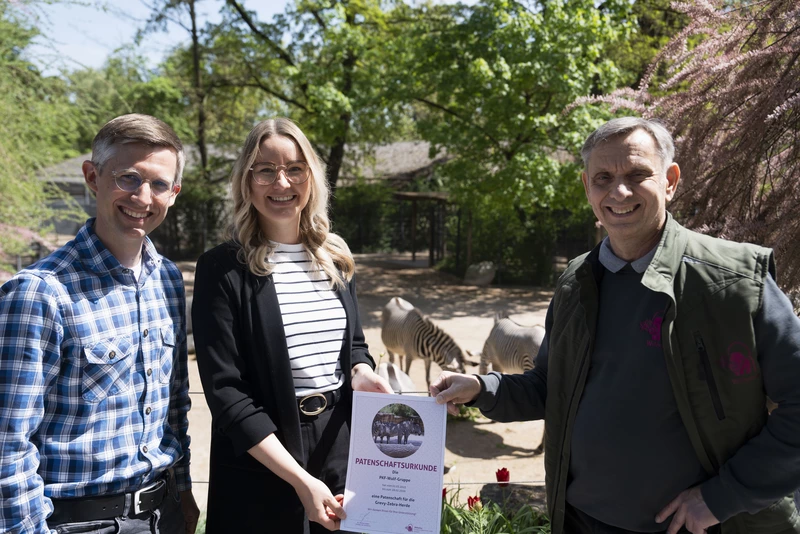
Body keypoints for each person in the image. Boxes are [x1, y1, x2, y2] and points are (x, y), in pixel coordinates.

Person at [431, 117, 800, 534]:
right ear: (587, 186)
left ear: (670, 180)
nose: (619, 192)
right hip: (582, 520)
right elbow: (551, 386)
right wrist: (482, 388)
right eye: (603, 177)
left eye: (637, 174)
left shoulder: (733, 281)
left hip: (699, 526)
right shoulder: (576, 282)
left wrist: (722, 498)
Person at [0, 114, 200, 533]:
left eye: (159, 184)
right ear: (93, 176)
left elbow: (175, 403)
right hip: (78, 522)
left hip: (163, 515)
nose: (143, 197)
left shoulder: (167, 279)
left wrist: (183, 492)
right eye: (128, 178)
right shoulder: (39, 294)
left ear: (174, 192)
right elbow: (7, 446)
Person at [192, 118, 392, 533]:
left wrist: (362, 371)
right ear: (247, 181)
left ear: (312, 177)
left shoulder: (334, 257)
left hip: (340, 441)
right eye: (266, 169)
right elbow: (227, 394)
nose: (282, 182)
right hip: (263, 453)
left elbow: (354, 344)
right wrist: (300, 480)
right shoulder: (222, 268)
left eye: (295, 168)